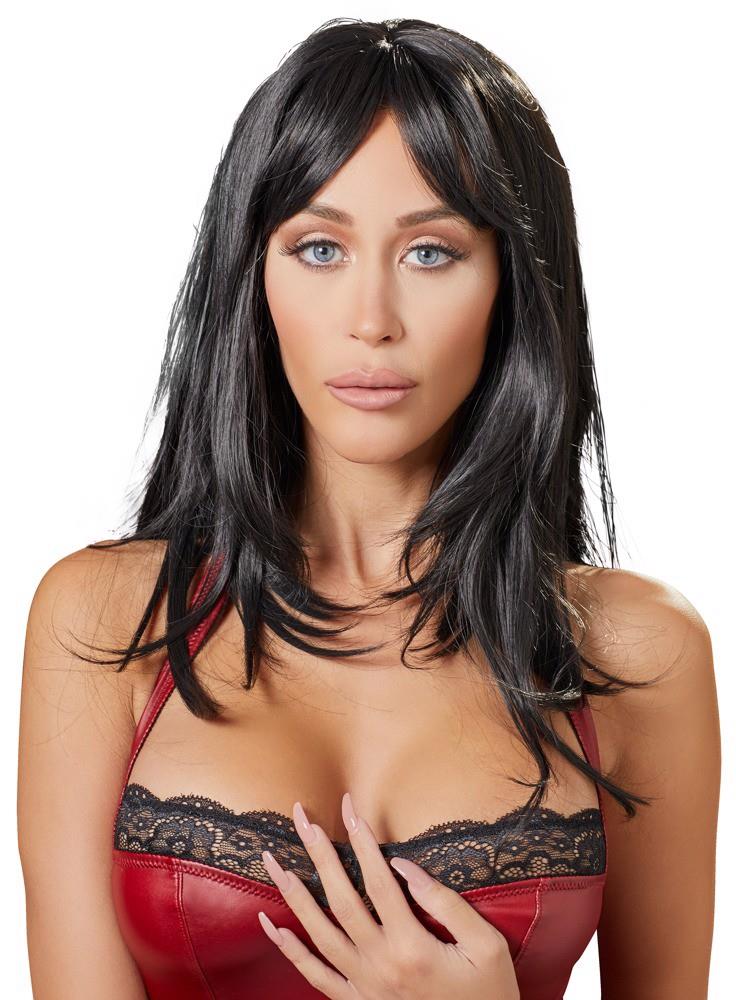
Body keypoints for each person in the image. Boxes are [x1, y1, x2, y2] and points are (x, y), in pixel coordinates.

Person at [17, 16, 719, 1000]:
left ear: (512, 283)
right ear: (253, 274)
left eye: (430, 253)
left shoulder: (638, 652)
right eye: (318, 248)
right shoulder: (105, 624)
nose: (371, 320)